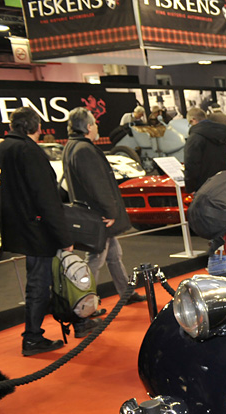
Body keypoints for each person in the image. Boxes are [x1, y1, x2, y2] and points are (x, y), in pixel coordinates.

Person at [0, 107, 74, 356]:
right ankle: (32, 337)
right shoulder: (29, 150)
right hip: (36, 228)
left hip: (18, 225)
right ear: (35, 127)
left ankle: (36, 333)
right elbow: (45, 197)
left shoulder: (3, 148)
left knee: (37, 282)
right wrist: (64, 236)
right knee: (40, 284)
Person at [64, 107, 146, 333]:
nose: (98, 127)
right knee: (95, 260)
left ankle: (125, 293)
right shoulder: (84, 149)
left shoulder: (73, 147)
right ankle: (84, 305)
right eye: (95, 123)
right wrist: (110, 211)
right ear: (89, 126)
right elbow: (97, 185)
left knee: (112, 255)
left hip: (92, 214)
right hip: (99, 216)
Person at [183, 106, 226, 194]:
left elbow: (191, 164)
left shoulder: (195, 137)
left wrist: (190, 187)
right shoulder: (222, 133)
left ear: (193, 120)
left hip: (204, 186)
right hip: (223, 182)